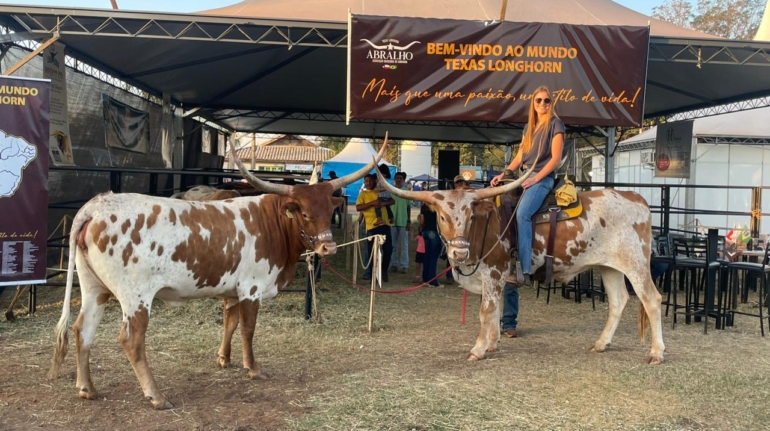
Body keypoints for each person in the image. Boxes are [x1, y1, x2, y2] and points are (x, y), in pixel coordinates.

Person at [490, 86, 564, 286]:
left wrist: (536, 178)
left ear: (551, 103)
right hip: (525, 176)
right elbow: (520, 157)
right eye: (538, 100)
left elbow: (555, 159)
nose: (542, 104)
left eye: (546, 100)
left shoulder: (556, 124)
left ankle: (525, 269)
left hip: (543, 178)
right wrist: (504, 174)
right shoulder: (529, 128)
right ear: (533, 103)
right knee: (500, 205)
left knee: (522, 215)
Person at [356, 174, 394, 282]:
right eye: (366, 181)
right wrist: (372, 203)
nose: (368, 182)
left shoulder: (380, 192)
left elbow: (392, 201)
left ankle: (384, 270)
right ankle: (373, 274)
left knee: (388, 249)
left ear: (375, 181)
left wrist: (383, 203)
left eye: (370, 180)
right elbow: (358, 208)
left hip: (385, 225)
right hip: (372, 227)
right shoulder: (363, 194)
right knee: (372, 252)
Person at [389, 172, 412, 274]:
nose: (398, 179)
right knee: (392, 245)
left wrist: (408, 221)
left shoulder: (406, 192)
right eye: (397, 178)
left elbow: (408, 207)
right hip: (392, 221)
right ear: (394, 179)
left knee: (404, 245)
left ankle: (404, 265)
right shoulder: (390, 191)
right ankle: (394, 264)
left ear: (403, 180)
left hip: (403, 221)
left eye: (400, 178)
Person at [419, 202, 443, 287]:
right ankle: (432, 280)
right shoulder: (438, 206)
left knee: (427, 256)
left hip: (425, 231)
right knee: (433, 257)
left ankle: (425, 278)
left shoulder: (424, 206)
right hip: (434, 232)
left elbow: (421, 221)